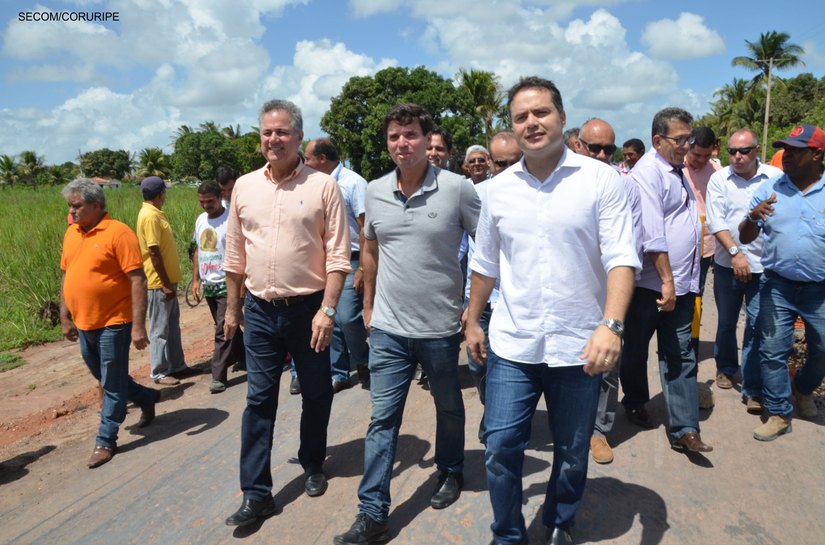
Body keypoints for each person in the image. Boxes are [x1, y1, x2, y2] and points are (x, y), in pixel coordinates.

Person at [466, 76, 639, 545]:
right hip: (513, 343)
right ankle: (507, 534)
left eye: (541, 112)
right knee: (500, 446)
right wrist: (471, 320)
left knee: (571, 448)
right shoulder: (496, 191)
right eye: (521, 116)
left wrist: (612, 324)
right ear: (512, 127)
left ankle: (560, 521)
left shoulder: (600, 179)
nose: (532, 122)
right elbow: (484, 264)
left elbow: (621, 256)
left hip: (580, 344)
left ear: (562, 117)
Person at [334, 103, 481, 545]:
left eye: (411, 134)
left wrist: (472, 309)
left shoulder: (458, 189)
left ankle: (451, 470)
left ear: (426, 138)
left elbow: (488, 249)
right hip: (390, 329)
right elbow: (372, 250)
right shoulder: (375, 191)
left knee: (449, 406)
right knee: (383, 418)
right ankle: (373, 511)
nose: (403, 143)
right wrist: (368, 306)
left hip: (439, 328)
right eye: (395, 136)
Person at [222, 99, 351, 527]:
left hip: (309, 310)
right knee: (259, 399)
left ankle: (313, 462)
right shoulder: (243, 186)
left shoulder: (322, 186)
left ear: (298, 136)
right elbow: (235, 253)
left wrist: (328, 310)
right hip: (259, 310)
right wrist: (233, 309)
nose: (273, 139)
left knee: (316, 390)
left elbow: (337, 256)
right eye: (266, 132)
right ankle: (256, 492)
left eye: (281, 132)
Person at [619, 107, 712, 453]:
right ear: (657, 140)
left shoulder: (676, 170)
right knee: (636, 349)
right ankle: (634, 400)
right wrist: (667, 283)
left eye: (689, 138)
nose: (687, 145)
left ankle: (685, 429)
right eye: (680, 139)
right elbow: (653, 235)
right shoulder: (648, 173)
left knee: (681, 354)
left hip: (684, 284)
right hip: (652, 287)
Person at [59, 178, 160, 468]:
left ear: (96, 205)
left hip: (115, 321)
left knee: (112, 384)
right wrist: (65, 315)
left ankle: (105, 439)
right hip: (84, 322)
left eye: (77, 206)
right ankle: (146, 396)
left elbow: (137, 279)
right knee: (105, 377)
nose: (72, 211)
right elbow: (67, 276)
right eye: (70, 206)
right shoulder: (72, 234)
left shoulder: (119, 233)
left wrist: (139, 325)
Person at [739, 124, 825, 441]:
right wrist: (752, 217)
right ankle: (778, 412)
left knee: (823, 348)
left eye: (795, 150)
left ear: (816, 154)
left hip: (820, 290)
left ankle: (802, 388)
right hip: (778, 286)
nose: (786, 156)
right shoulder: (772, 190)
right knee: (773, 351)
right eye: (785, 149)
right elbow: (745, 236)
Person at [574, 118, 643, 465]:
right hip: (569, 294)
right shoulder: (560, 184)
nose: (602, 155)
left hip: (608, 294)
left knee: (607, 367)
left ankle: (598, 430)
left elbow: (630, 245)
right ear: (577, 146)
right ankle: (569, 424)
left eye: (608, 149)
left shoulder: (625, 186)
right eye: (594, 147)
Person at [706, 129, 781, 405]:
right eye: (733, 151)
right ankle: (726, 367)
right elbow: (716, 222)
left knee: (756, 326)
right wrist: (736, 253)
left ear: (756, 149)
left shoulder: (774, 177)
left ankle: (753, 388)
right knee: (726, 322)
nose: (737, 157)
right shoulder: (719, 179)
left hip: (765, 266)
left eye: (744, 151)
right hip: (728, 264)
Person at [464, 130, 522, 444]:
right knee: (477, 364)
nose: (508, 170)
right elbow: (465, 249)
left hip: (513, 301)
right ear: (490, 163)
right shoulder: (478, 194)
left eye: (515, 162)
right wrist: (466, 305)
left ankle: (497, 419)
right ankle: (493, 407)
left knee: (504, 363)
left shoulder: (535, 195)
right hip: (482, 298)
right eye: (501, 164)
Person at [305, 137, 371, 391]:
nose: (305, 162)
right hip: (322, 260)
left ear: (322, 159)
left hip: (351, 259)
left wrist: (363, 268)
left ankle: (365, 361)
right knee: (327, 313)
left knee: (348, 317)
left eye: (308, 158)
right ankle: (339, 372)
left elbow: (365, 228)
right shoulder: (314, 185)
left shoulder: (354, 183)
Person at [192, 180, 245, 394]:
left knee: (222, 329)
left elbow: (242, 250)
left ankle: (218, 375)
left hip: (227, 282)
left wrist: (242, 285)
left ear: (220, 197)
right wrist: (196, 278)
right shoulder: (200, 220)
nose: (206, 206)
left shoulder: (230, 219)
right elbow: (197, 249)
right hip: (209, 284)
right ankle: (245, 357)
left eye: (210, 201)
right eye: (202, 202)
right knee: (228, 326)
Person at [136, 176, 188, 385]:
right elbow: (153, 250)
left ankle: (177, 365)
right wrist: (165, 283)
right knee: (160, 328)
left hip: (168, 280)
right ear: (160, 195)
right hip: (159, 282)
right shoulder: (149, 216)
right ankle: (159, 371)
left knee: (172, 325)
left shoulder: (154, 213)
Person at [684, 127, 722, 294]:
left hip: (705, 247)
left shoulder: (717, 173)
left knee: (697, 292)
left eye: (707, 156)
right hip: (679, 244)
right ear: (688, 147)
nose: (702, 160)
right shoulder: (676, 168)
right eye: (697, 155)